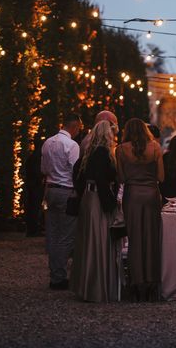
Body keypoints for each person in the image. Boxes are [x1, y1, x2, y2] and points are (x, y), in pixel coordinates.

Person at [70, 120, 120, 302]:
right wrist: (111, 202)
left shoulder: (89, 152)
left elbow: (78, 174)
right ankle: (96, 287)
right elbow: (101, 178)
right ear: (107, 134)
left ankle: (86, 285)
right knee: (99, 239)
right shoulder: (102, 153)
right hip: (98, 198)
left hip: (89, 198)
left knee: (89, 240)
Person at [116, 118, 165, 301]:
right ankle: (151, 284)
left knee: (135, 239)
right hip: (151, 194)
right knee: (151, 239)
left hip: (132, 196)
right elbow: (161, 177)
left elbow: (121, 178)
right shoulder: (155, 148)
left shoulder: (121, 150)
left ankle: (136, 283)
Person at [41, 113, 82, 290]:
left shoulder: (48, 142)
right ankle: (60, 276)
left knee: (52, 233)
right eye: (79, 128)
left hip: (50, 189)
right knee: (66, 235)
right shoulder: (72, 145)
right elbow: (76, 171)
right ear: (74, 127)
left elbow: (43, 169)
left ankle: (54, 274)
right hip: (66, 190)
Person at [24, 137, 44, 237]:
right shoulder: (37, 158)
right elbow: (38, 172)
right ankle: (34, 229)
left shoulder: (31, 157)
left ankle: (32, 228)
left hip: (31, 185)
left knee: (32, 207)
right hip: (36, 185)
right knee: (35, 207)